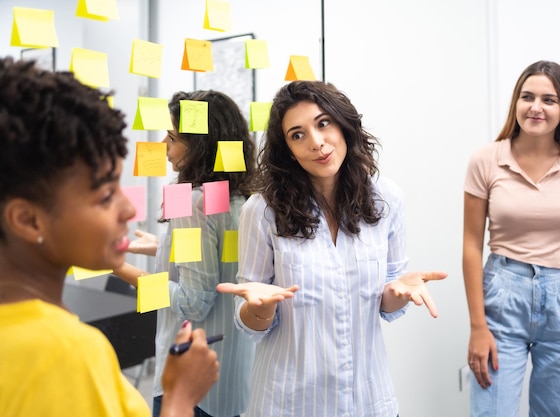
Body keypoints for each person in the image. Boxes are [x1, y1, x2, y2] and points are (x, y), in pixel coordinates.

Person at [0, 57, 219, 417]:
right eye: (104, 195)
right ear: (27, 220)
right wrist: (180, 398)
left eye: (174, 137)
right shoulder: (69, 354)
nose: (129, 210)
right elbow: (194, 299)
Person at [215, 80, 448, 417]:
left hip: (368, 400)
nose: (317, 143)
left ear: (343, 124)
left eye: (323, 123)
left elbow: (387, 303)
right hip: (290, 403)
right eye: (298, 135)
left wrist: (398, 292)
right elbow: (250, 321)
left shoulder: (386, 198)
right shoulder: (262, 210)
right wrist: (261, 310)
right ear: (288, 151)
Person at [462, 60, 560, 417]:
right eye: (527, 97)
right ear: (516, 103)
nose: (536, 107)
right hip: (501, 295)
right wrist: (478, 326)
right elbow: (470, 244)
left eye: (549, 99)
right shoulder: (486, 160)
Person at [113, 90, 257, 417]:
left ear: (201, 147)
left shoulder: (193, 201)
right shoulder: (241, 196)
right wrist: (155, 245)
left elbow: (194, 300)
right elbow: (215, 256)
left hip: (191, 381)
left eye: (174, 137)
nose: (164, 143)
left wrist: (119, 268)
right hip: (234, 376)